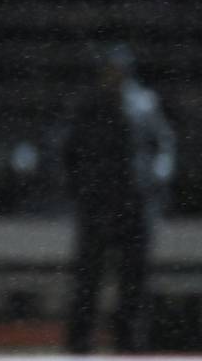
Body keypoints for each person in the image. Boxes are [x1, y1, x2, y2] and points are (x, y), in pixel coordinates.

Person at [63, 43, 176, 353]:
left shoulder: (145, 103)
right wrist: (80, 188)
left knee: (133, 278)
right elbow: (70, 151)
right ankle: (80, 342)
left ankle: (129, 343)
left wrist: (156, 180)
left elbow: (164, 145)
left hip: (135, 203)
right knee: (89, 276)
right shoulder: (88, 105)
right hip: (98, 202)